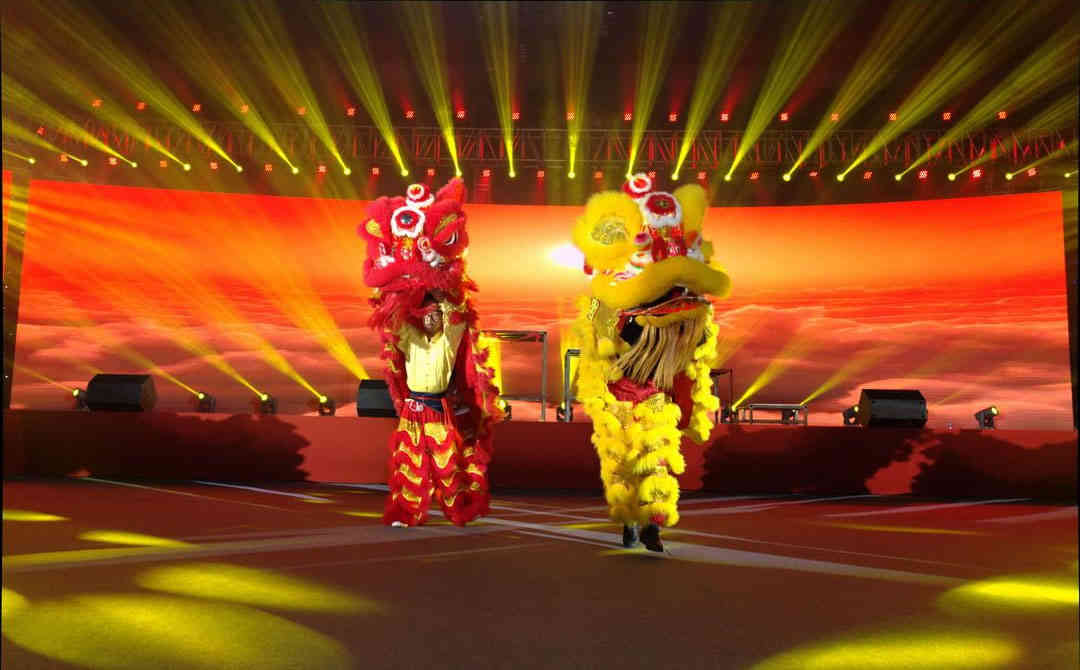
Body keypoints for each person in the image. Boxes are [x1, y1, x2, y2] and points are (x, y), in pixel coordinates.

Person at [570, 173, 731, 551]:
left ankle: (653, 524)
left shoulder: (683, 309)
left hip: (657, 395)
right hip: (618, 396)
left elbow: (696, 338)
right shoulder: (605, 302)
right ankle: (629, 521)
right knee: (622, 462)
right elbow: (601, 337)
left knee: (657, 457)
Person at [358, 178, 504, 527]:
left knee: (446, 464)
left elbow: (454, 304)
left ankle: (457, 509)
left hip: (438, 408)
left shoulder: (449, 334)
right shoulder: (409, 334)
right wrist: (402, 274)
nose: (431, 316)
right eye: (426, 313)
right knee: (408, 462)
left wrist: (436, 277)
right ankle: (406, 512)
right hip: (413, 408)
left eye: (434, 313)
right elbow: (395, 316)